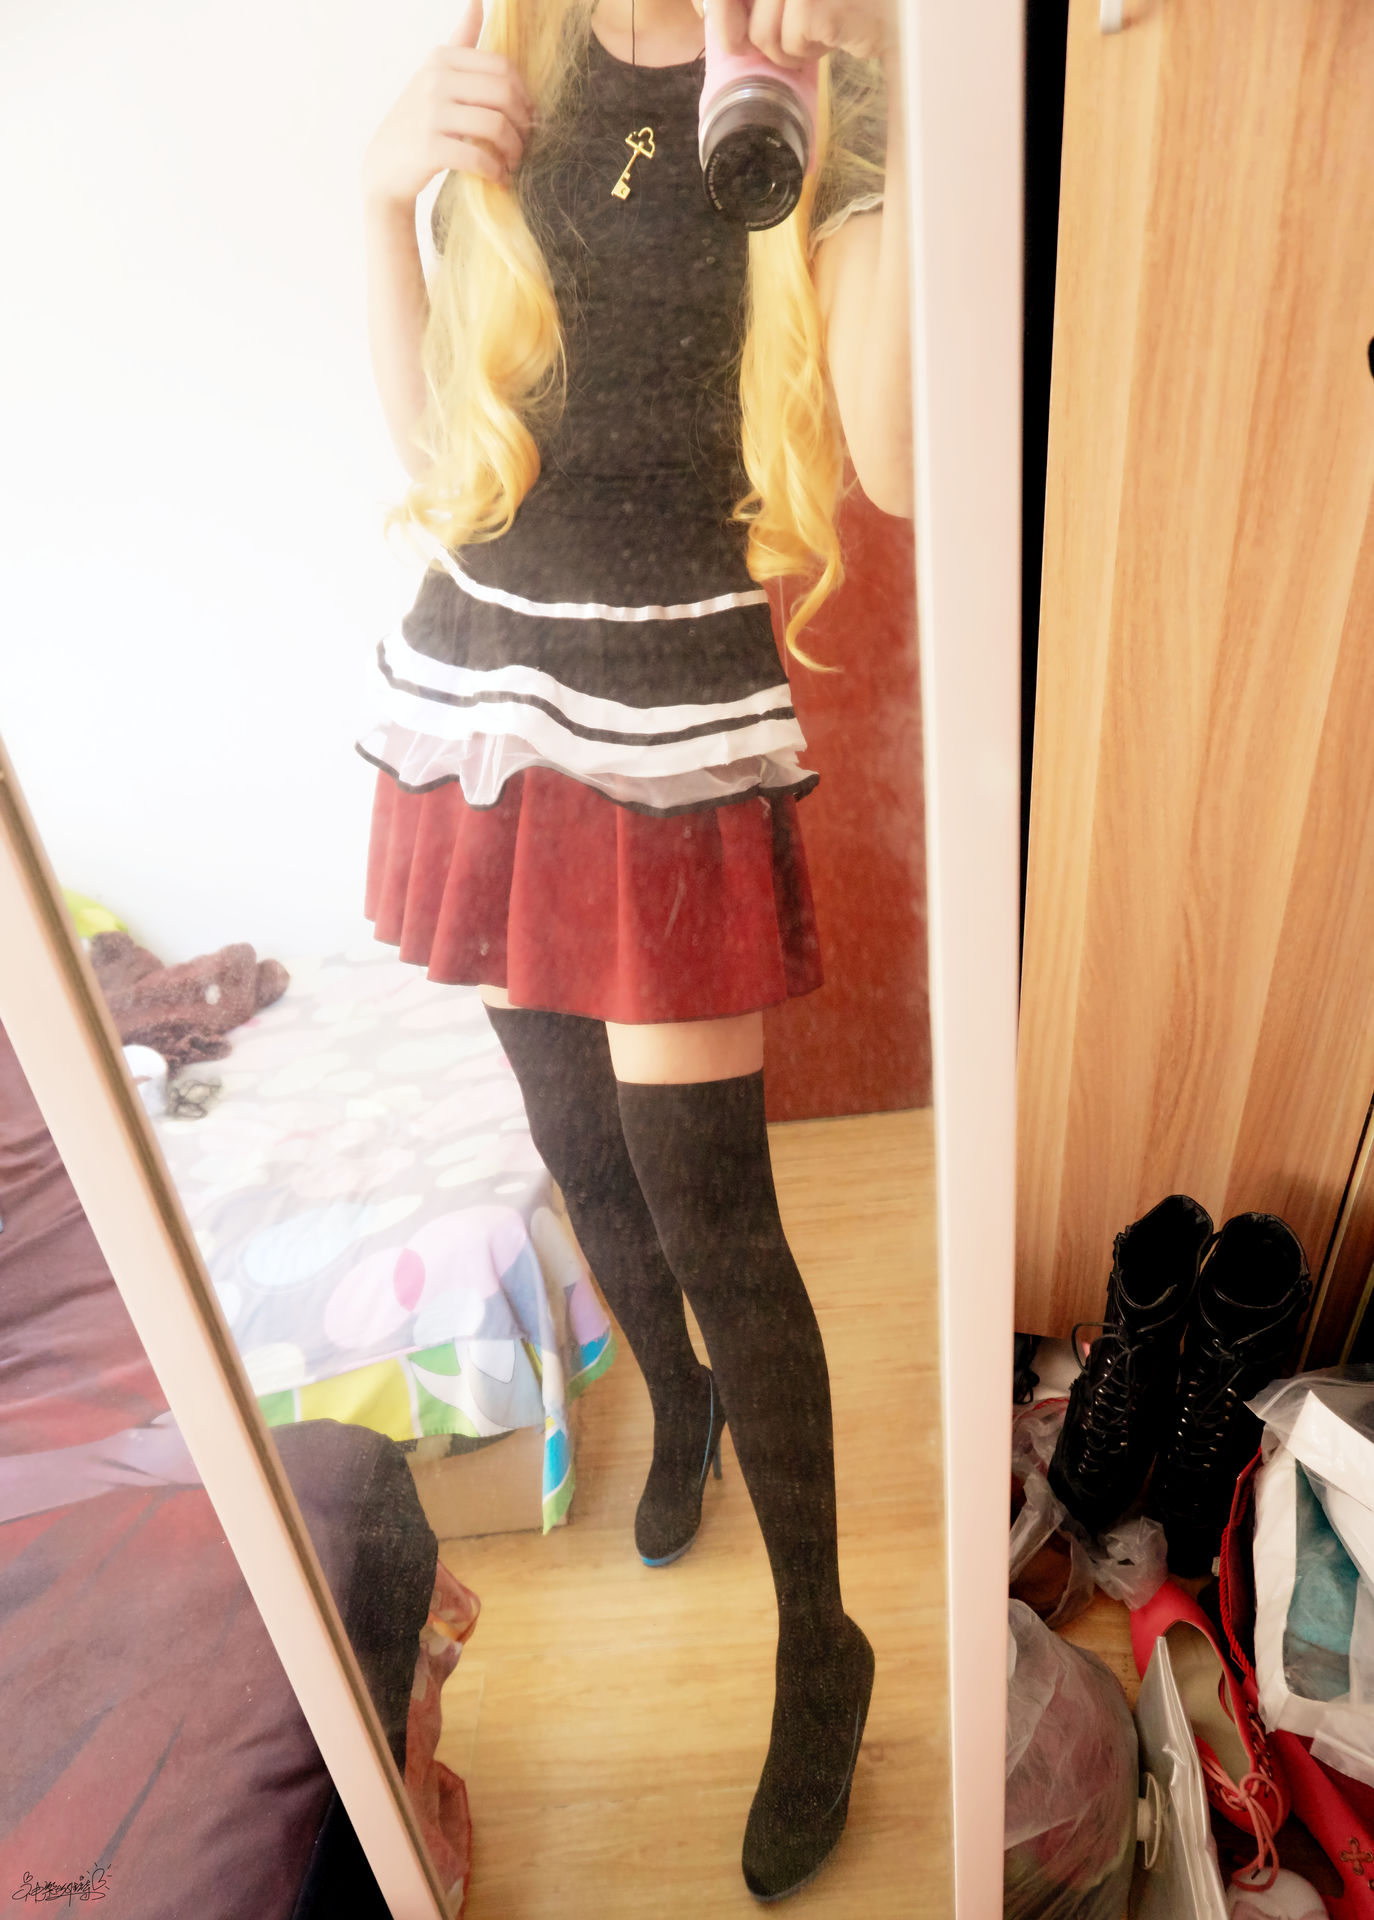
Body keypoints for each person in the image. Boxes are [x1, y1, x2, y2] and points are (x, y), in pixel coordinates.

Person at [359, 0, 909, 1900]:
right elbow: (445, 451)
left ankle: (821, 1640)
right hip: (486, 691)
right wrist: (373, 205)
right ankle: (673, 1402)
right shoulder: (515, 43)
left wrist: (894, 116)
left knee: (710, 1204)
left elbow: (894, 460)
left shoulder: (826, 81)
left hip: (673, 703)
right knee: (572, 1138)